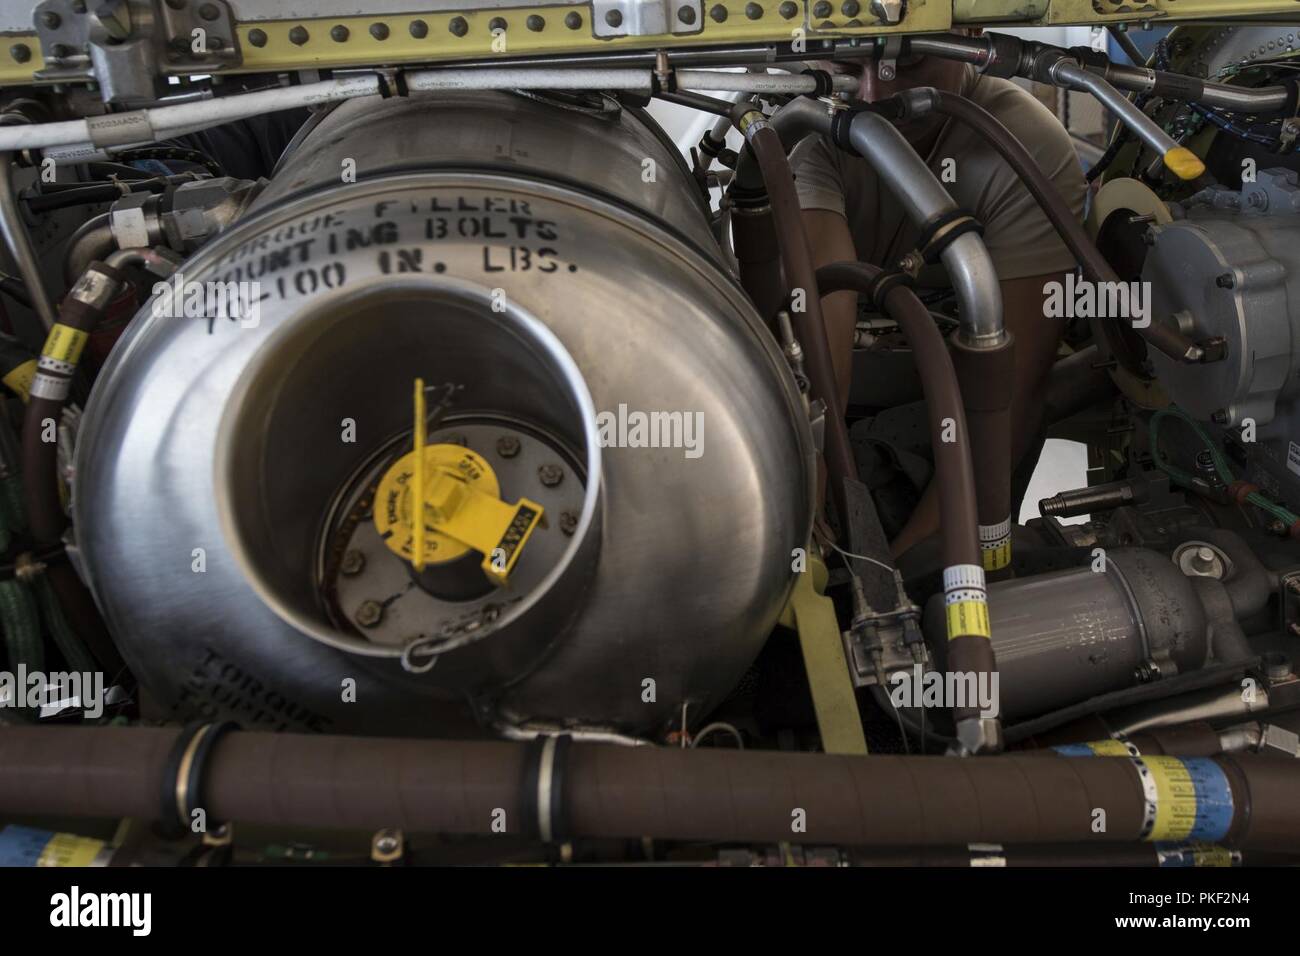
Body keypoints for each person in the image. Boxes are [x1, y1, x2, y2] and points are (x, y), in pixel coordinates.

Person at [795, 36, 1087, 557]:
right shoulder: (802, 126)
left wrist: (912, 567)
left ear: (969, 43)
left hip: (968, 395)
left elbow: (1014, 394)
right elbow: (821, 341)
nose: (874, 89)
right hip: (841, 392)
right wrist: (806, 506)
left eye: (909, 61)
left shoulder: (1023, 144)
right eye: (845, 64)